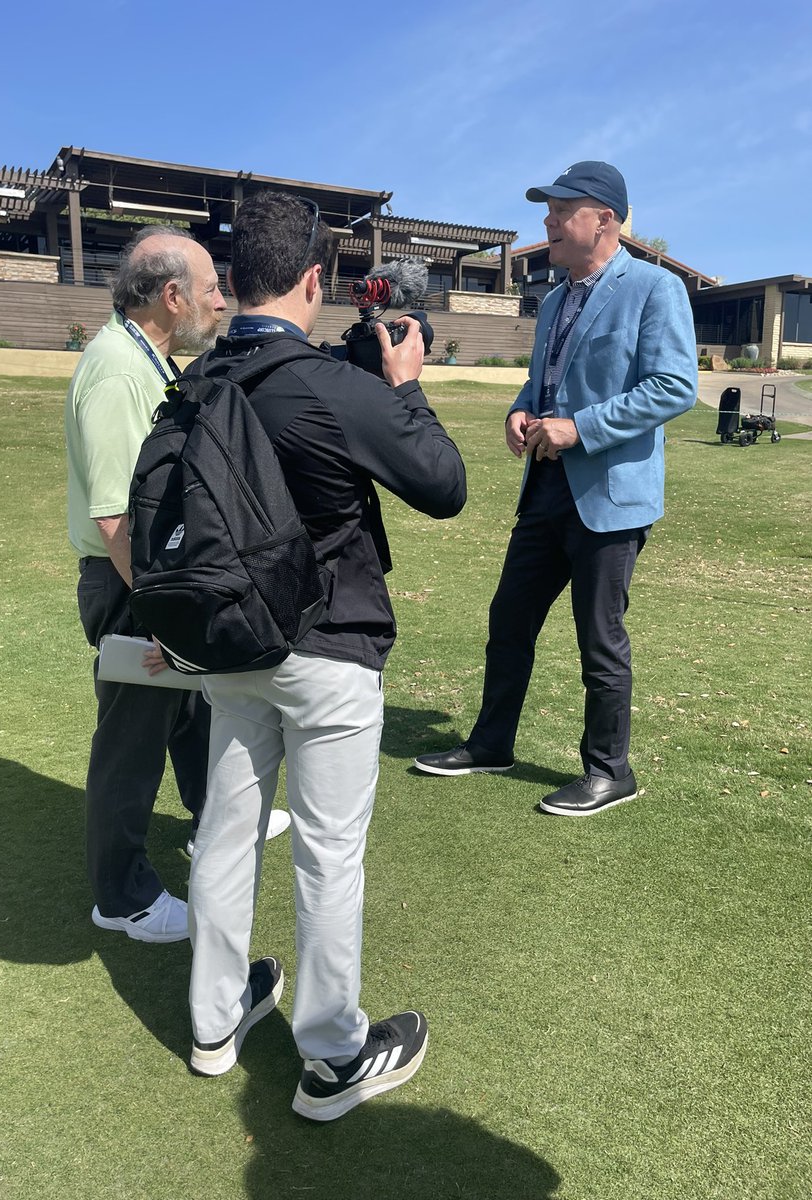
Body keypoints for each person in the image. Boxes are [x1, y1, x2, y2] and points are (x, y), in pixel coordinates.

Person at [185, 191, 466, 1120]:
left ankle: (216, 1020)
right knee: (327, 854)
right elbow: (444, 485)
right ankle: (334, 1054)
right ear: (317, 279)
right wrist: (407, 382)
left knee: (228, 834)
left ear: (229, 283)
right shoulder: (334, 388)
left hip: (229, 642)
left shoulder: (194, 382)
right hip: (328, 643)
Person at [414, 161, 697, 816]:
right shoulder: (554, 299)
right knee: (508, 619)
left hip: (609, 494)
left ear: (604, 219)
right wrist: (520, 408)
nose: (546, 224)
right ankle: (491, 744)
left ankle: (609, 771)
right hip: (543, 489)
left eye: (559, 211)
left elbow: (674, 387)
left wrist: (581, 428)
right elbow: (542, 387)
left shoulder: (654, 290)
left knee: (599, 639)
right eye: (548, 211)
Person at [65, 226, 289, 945]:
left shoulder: (144, 360)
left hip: (148, 579)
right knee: (131, 738)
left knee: (187, 710)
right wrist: (162, 613)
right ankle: (123, 896)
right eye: (212, 289)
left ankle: (206, 821)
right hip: (130, 581)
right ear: (171, 295)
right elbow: (111, 518)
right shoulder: (119, 373)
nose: (223, 302)